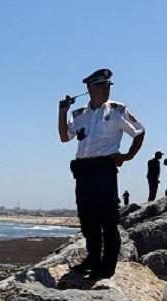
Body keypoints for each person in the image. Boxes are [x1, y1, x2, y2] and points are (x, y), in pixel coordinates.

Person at [58, 68, 145, 278]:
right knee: (88, 219)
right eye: (101, 85)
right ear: (90, 89)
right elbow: (64, 137)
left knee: (108, 219)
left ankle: (107, 267)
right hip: (83, 171)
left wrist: (128, 156)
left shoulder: (117, 110)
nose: (106, 89)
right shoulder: (78, 115)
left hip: (105, 169)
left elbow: (139, 131)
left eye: (108, 86)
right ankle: (93, 258)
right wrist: (61, 111)